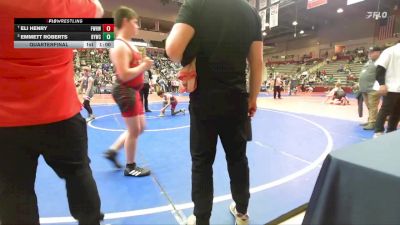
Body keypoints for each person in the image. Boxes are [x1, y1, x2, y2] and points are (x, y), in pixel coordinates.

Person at [0, 0, 104, 224]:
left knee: (14, 191)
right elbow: (98, 13)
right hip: (60, 114)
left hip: (6, 122)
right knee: (78, 174)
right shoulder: (57, 5)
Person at [166, 0, 263, 224]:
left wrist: (192, 53)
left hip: (204, 100)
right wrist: (253, 98)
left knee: (202, 162)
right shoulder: (251, 13)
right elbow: (256, 62)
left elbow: (173, 49)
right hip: (236, 98)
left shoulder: (196, 4)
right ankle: (242, 212)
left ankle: (201, 219)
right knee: (238, 159)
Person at [103, 6, 153, 177]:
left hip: (133, 91)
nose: (137, 26)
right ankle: (130, 166)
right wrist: (143, 66)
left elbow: (133, 67)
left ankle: (113, 150)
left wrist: (142, 63)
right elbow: (124, 74)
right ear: (125, 22)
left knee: (140, 127)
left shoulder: (129, 44)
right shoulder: (119, 45)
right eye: (135, 23)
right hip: (126, 90)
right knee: (134, 131)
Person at [373, 41, 400, 138]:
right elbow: (380, 68)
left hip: (398, 88)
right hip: (390, 87)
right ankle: (378, 132)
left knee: (397, 111)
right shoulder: (390, 51)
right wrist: (382, 84)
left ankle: (391, 131)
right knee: (386, 109)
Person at [358, 46, 381, 130]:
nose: (369, 54)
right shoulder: (369, 62)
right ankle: (370, 120)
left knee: (373, 106)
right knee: (369, 106)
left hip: (373, 88)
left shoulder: (381, 62)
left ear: (378, 52)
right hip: (364, 88)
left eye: (372, 52)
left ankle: (373, 122)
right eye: (369, 52)